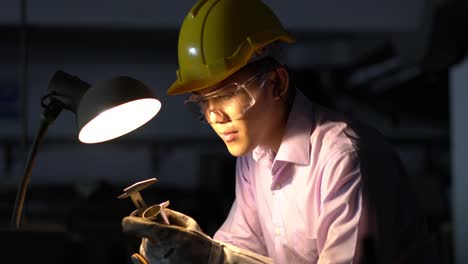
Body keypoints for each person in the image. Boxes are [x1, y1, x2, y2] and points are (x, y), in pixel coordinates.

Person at [122, 0, 440, 263]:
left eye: (226, 94)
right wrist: (188, 253)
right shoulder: (254, 158)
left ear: (277, 83)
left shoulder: (343, 158)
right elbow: (242, 248)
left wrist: (215, 259)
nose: (214, 115)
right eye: (203, 101)